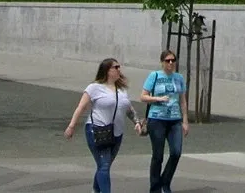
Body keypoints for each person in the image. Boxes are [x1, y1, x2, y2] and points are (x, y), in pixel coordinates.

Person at [65, 58, 145, 193]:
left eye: (119, 67)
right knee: (104, 165)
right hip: (97, 130)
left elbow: (129, 109)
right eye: (116, 67)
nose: (119, 69)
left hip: (116, 133)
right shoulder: (94, 88)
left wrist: (137, 122)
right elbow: (81, 107)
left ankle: (96, 190)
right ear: (107, 71)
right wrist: (71, 126)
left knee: (104, 166)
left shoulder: (121, 90)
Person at [142, 49, 189, 193]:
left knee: (176, 152)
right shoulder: (154, 76)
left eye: (173, 60)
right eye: (167, 60)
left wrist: (185, 121)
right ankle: (155, 187)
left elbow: (182, 101)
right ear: (162, 62)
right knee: (158, 155)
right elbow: (143, 97)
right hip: (157, 119)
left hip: (174, 120)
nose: (171, 63)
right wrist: (157, 98)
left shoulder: (179, 78)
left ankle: (165, 181)